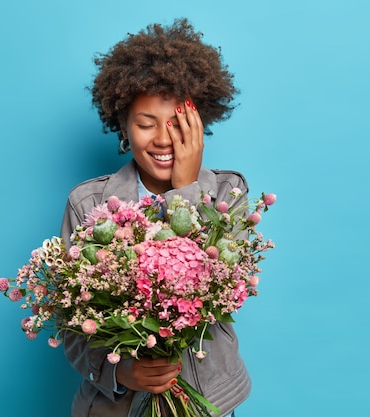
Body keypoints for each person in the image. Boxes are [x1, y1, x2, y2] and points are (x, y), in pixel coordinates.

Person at [60, 18, 251, 417]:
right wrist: (121, 373)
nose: (163, 139)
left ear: (200, 125)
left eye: (177, 124)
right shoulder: (86, 202)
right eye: (146, 124)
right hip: (114, 407)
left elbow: (216, 289)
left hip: (206, 403)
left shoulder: (227, 193)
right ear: (124, 129)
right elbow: (70, 322)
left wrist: (185, 190)